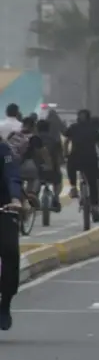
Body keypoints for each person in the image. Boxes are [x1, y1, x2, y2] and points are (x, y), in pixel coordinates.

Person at [0, 139, 22, 331]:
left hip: (4, 209)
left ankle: (5, 303)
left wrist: (15, 198)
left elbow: (12, 176)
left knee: (10, 252)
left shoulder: (4, 150)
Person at [63, 109, 99, 208]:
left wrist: (65, 154)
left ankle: (75, 188)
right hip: (89, 157)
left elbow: (66, 142)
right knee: (92, 182)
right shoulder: (92, 129)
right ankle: (75, 189)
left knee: (90, 180)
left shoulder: (74, 128)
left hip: (79, 156)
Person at [16, 116, 50, 209]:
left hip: (14, 164)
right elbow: (42, 152)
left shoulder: (13, 135)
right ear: (33, 126)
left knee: (17, 182)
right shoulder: (34, 138)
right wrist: (47, 164)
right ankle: (32, 195)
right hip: (28, 163)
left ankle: (17, 197)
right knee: (35, 178)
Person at [37, 119, 64, 212]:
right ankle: (56, 197)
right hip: (52, 169)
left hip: (37, 169)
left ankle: (34, 197)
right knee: (58, 181)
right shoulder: (54, 140)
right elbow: (59, 156)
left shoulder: (33, 139)